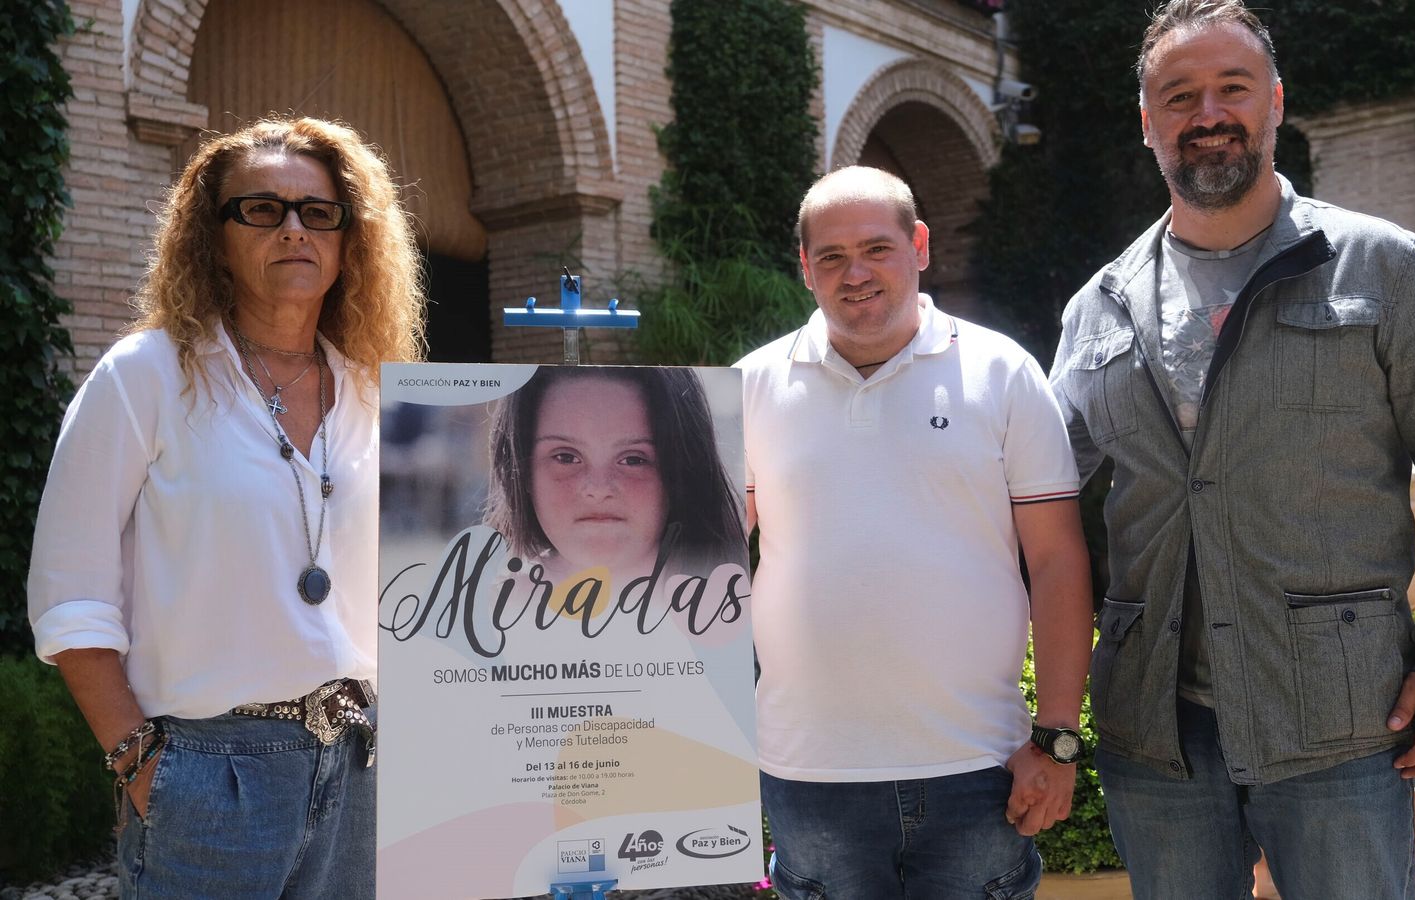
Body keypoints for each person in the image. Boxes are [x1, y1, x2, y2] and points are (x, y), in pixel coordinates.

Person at [1046, 2, 1415, 897]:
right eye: (1178, 95)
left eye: (1232, 87)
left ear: (1275, 101)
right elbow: (1026, 494)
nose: (1208, 113)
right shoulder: (1098, 307)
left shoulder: (1382, 268)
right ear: (1149, 123)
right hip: (1157, 735)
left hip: (1337, 720)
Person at [28, 116, 425, 899]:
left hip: (362, 763)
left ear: (350, 240)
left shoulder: (377, 395)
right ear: (212, 237)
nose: (292, 230)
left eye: (318, 212)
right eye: (261, 208)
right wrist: (138, 761)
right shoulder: (146, 376)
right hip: (210, 773)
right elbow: (70, 593)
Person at [739, 166, 1094, 899]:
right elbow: (687, 569)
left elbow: (1058, 561)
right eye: (831, 256)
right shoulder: (747, 386)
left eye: (876, 247)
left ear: (920, 246)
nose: (855, 272)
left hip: (979, 768)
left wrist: (1057, 740)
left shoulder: (1003, 373)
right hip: (811, 774)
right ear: (805, 267)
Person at [484, 365, 746, 584]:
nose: (598, 489)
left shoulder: (751, 612)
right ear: (523, 472)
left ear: (682, 470)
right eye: (566, 457)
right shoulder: (482, 624)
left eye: (633, 460)